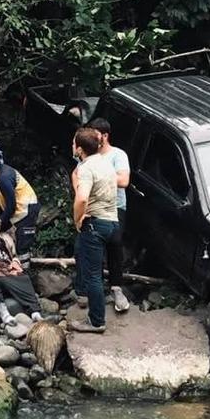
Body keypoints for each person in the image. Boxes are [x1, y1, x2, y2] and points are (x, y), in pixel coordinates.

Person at [70, 128, 119, 333]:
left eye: (74, 144)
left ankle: (96, 321)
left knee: (93, 276)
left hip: (95, 224)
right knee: (92, 268)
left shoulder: (86, 168)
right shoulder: (106, 162)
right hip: (112, 222)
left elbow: (82, 198)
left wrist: (77, 219)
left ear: (80, 149)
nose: (72, 146)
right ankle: (87, 299)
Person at [84, 118, 130, 312]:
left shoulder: (118, 155)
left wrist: (98, 175)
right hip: (92, 207)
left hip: (115, 206)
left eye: (95, 135)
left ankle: (116, 288)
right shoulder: (88, 154)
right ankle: (91, 291)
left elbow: (124, 180)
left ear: (105, 136)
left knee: (115, 246)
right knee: (92, 249)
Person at [0, 143, 39, 270]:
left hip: (26, 209)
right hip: (11, 208)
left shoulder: (4, 177)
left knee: (22, 243)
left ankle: (24, 271)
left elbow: (11, 205)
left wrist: (0, 221)